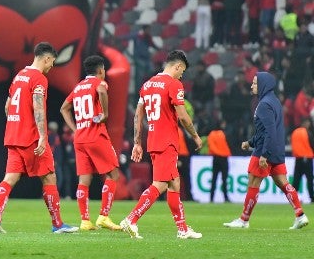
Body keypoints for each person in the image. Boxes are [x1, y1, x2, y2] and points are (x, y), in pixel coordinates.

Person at [0, 42, 78, 234]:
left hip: (13, 136)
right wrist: (43, 137)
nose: (51, 66)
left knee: (9, 178)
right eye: (52, 62)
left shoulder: (19, 76)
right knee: (49, 177)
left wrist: (16, 122)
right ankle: (58, 224)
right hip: (31, 137)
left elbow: (7, 105)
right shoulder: (38, 79)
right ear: (46, 58)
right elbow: (38, 107)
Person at [119, 50, 203, 239]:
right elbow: (183, 116)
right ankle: (131, 219)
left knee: (175, 183)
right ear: (178, 66)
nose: (182, 75)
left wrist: (137, 142)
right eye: (182, 71)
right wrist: (195, 136)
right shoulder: (174, 84)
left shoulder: (147, 85)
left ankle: (182, 229)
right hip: (168, 141)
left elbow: (138, 115)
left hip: (154, 140)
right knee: (161, 184)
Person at [223, 72, 309, 230]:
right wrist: (250, 143)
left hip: (265, 150)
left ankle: (243, 220)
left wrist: (263, 154)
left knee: (253, 182)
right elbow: (267, 130)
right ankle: (300, 215)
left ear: (263, 85)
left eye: (255, 83)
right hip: (276, 150)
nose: (252, 86)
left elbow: (269, 131)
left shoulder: (263, 104)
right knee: (283, 183)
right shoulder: (274, 102)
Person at [60, 55, 122, 231]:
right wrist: (105, 115)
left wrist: (75, 129)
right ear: (101, 70)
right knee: (113, 175)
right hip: (96, 135)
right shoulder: (99, 83)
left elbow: (63, 108)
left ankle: (85, 221)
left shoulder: (78, 87)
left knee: (84, 180)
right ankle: (103, 216)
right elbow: (102, 91)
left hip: (80, 139)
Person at [290, 117, 314, 203]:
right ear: (305, 123)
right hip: (307, 159)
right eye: (308, 123)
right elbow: (312, 145)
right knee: (310, 180)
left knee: (296, 180)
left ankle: (292, 198)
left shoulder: (294, 132)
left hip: (298, 159)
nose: (309, 124)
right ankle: (312, 198)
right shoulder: (308, 133)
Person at [208, 119, 231, 203]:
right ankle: (226, 197)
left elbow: (211, 147)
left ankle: (211, 198)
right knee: (224, 179)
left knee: (214, 179)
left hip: (216, 158)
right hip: (223, 158)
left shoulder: (211, 134)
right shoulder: (223, 134)